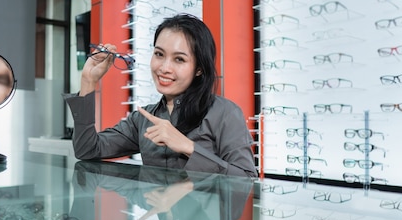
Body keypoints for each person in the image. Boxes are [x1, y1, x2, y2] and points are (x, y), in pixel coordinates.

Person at [63, 13, 257, 178]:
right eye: (159, 54)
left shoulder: (224, 113)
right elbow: (87, 150)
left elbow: (246, 179)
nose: (164, 68)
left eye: (179, 59)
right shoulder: (143, 119)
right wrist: (88, 81)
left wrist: (188, 147)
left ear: (199, 68)